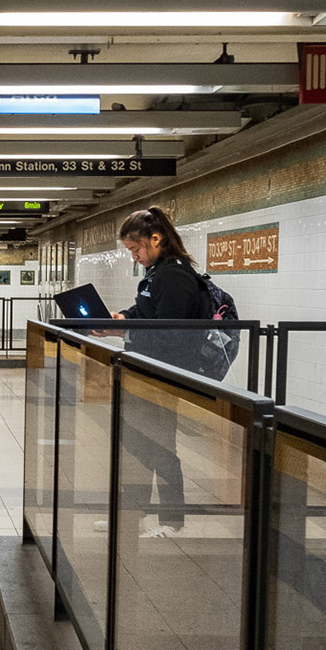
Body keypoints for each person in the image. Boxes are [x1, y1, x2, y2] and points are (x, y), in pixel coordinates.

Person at [114, 206, 237, 537]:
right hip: (147, 371)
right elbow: (146, 312)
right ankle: (134, 513)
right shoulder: (157, 273)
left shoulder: (175, 277)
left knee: (161, 446)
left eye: (136, 249)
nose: (134, 256)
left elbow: (170, 333)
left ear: (156, 239)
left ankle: (172, 521)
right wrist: (124, 318)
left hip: (166, 374)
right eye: (130, 250)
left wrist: (125, 331)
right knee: (137, 444)